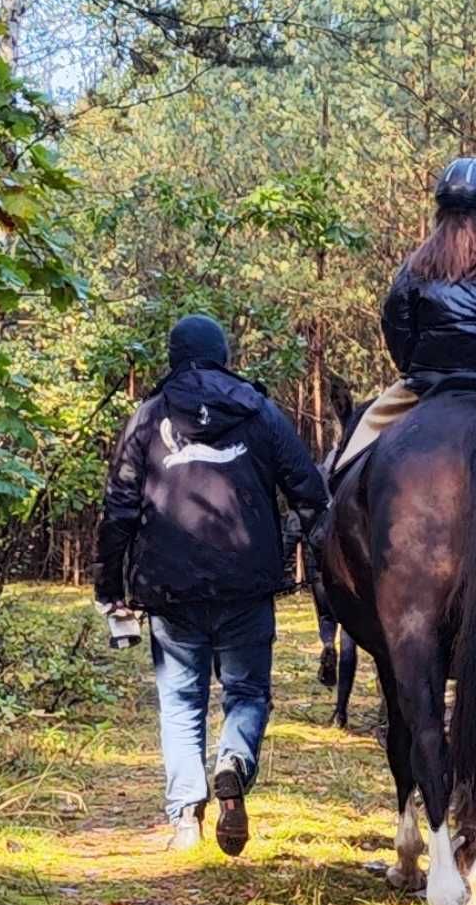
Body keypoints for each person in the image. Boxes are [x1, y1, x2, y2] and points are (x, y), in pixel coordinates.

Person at [94, 314, 328, 855]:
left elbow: (119, 507)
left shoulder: (149, 417)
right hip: (246, 583)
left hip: (168, 588)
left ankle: (185, 820)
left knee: (181, 702)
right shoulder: (258, 409)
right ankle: (234, 762)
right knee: (246, 692)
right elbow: (309, 489)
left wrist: (110, 584)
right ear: (223, 354)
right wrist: (303, 548)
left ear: (174, 355)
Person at [335, 157, 476, 470]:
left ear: (441, 213)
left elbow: (397, 333)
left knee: (352, 452)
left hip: (425, 389)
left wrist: (417, 371)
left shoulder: (415, 268)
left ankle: (329, 506)